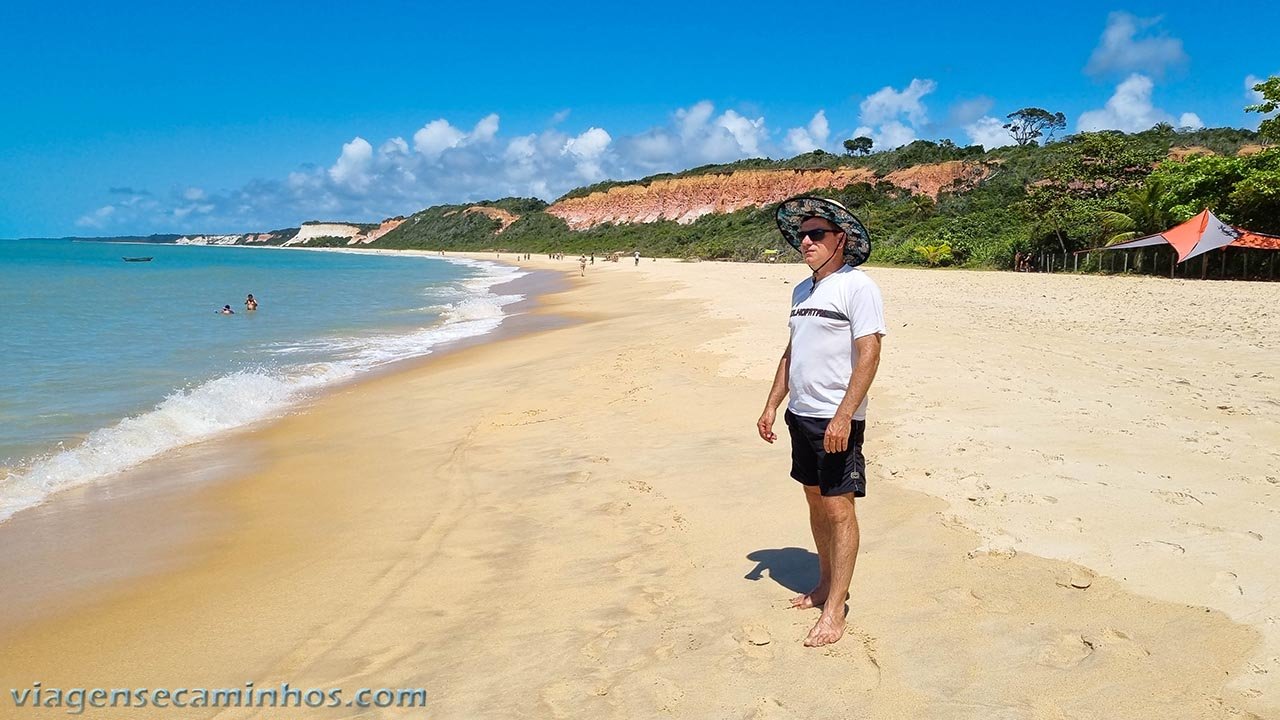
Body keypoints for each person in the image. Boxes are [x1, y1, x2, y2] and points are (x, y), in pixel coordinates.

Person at [756, 196, 885, 648]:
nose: (805, 241)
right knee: (814, 501)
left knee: (838, 507)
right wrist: (773, 404)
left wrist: (844, 415)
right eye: (802, 235)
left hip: (836, 418)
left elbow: (870, 352)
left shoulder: (858, 287)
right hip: (801, 415)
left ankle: (836, 609)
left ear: (840, 240)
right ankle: (824, 585)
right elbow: (791, 353)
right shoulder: (801, 291)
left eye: (817, 235)